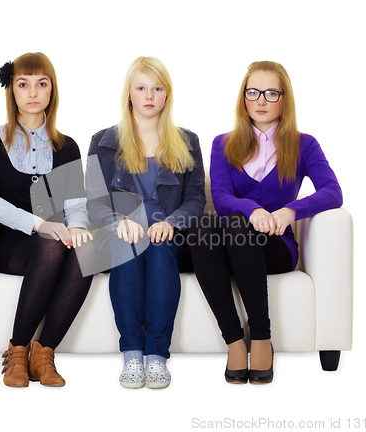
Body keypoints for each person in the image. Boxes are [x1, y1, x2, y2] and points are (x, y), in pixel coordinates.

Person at [188, 61, 342, 384]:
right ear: (243, 98)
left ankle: (261, 338)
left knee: (229, 226)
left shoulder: (304, 144)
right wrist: (251, 209)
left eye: (271, 93)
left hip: (276, 246)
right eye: (253, 92)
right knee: (211, 226)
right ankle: (234, 340)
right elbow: (221, 196)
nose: (261, 100)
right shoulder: (223, 144)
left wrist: (291, 212)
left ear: (285, 99)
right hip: (233, 241)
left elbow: (332, 191)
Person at [0, 52, 94, 388]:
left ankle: (44, 356)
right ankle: (17, 351)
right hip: (15, 244)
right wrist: (40, 224)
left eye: (42, 84)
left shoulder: (66, 146)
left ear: (52, 91)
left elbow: (75, 204)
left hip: (57, 239)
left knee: (88, 249)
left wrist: (79, 229)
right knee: (51, 244)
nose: (33, 92)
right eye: (23, 84)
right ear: (11, 90)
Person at [86, 56, 206, 389]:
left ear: (167, 94)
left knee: (158, 245)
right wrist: (116, 222)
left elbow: (196, 199)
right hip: (121, 236)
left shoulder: (188, 141)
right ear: (129, 94)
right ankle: (132, 355)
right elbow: (95, 202)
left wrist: (173, 221)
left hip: (170, 239)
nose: (149, 95)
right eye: (141, 88)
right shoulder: (103, 141)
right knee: (127, 245)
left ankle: (156, 357)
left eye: (157, 88)